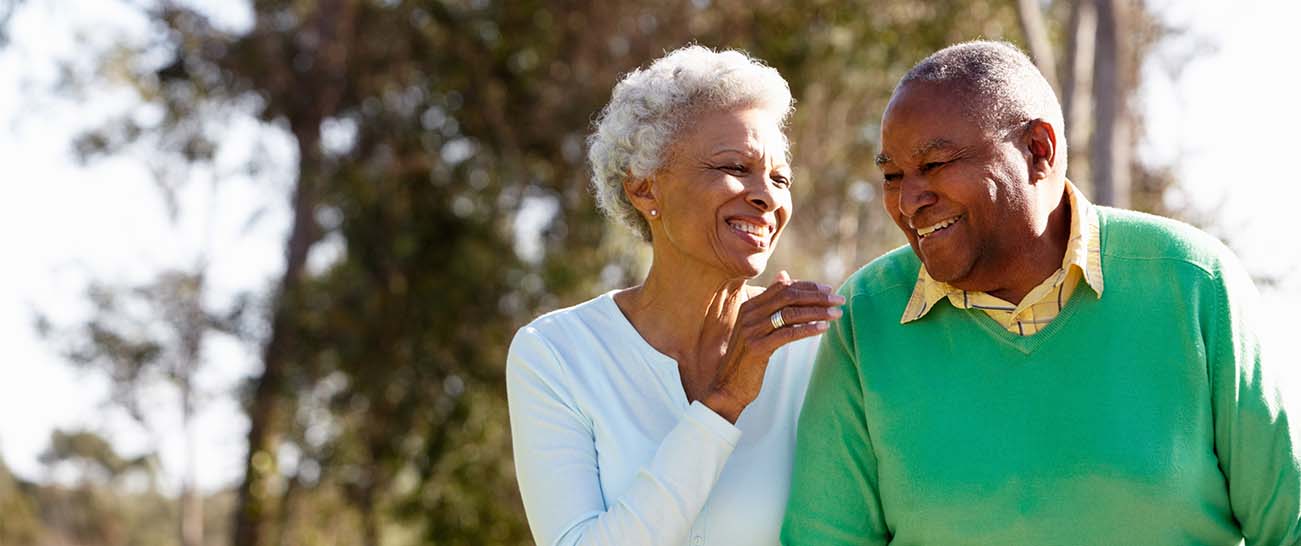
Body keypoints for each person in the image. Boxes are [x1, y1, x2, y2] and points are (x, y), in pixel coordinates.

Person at [781, 40, 1300, 545]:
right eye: (893, 175)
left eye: (934, 165)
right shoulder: (866, 319)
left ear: (1038, 150)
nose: (909, 199)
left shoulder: (1193, 282)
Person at [506, 45, 843, 546]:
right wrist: (723, 401)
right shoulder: (555, 354)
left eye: (779, 178)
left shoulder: (817, 349)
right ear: (645, 190)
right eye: (734, 166)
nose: (767, 196)